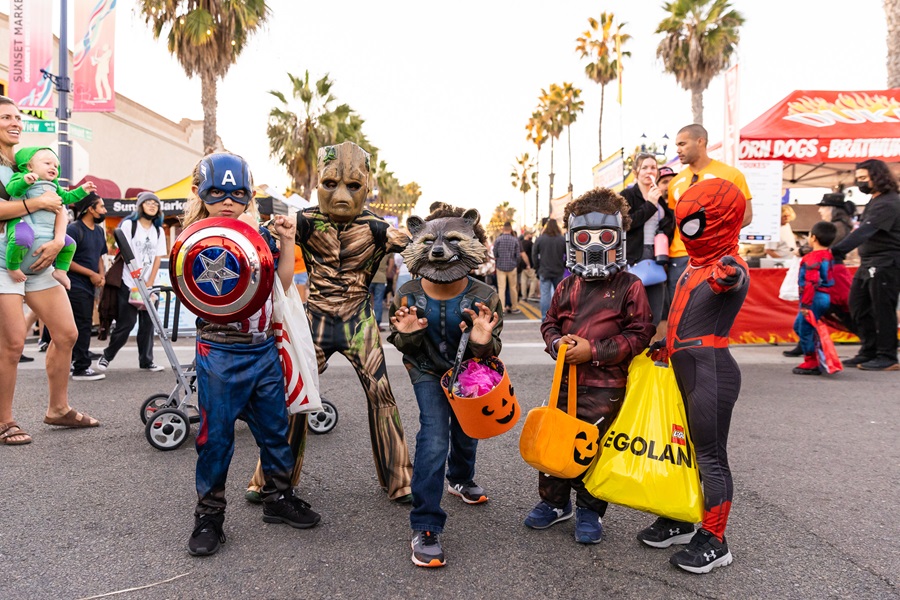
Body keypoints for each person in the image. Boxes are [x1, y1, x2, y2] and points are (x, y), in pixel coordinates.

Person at [246, 141, 414, 502]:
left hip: (359, 322)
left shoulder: (379, 229)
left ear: (367, 187)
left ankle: (400, 480)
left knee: (381, 395)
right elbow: (254, 246)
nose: (341, 194)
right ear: (318, 184)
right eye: (331, 183)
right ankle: (270, 479)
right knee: (293, 395)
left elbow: (424, 253)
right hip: (315, 322)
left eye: (353, 186)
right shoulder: (304, 222)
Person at [180, 152, 320, 557]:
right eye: (217, 192)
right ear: (199, 193)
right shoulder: (193, 236)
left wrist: (288, 240)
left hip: (262, 348)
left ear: (249, 194)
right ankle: (209, 515)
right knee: (216, 438)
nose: (228, 200)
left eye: (237, 192)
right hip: (220, 349)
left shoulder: (262, 231)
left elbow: (284, 283)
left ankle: (278, 499)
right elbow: (193, 292)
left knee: (276, 429)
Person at [526, 188, 654, 544]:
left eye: (605, 237)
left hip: (606, 387)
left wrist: (594, 350)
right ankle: (554, 503)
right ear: (571, 240)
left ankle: (588, 508)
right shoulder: (567, 286)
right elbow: (549, 322)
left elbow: (640, 333)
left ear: (619, 238)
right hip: (565, 384)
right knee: (555, 441)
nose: (594, 245)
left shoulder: (630, 286)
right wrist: (556, 344)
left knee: (592, 446)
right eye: (584, 237)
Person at [639, 178, 749, 574]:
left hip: (710, 372)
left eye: (694, 222)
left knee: (710, 458)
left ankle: (716, 540)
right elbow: (681, 315)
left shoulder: (729, 264)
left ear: (719, 220)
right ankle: (684, 517)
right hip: (683, 370)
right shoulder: (694, 265)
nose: (687, 230)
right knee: (682, 451)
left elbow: (730, 279)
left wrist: (727, 272)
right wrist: (665, 343)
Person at [388, 206, 502, 568]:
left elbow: (492, 347)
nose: (438, 249)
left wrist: (484, 340)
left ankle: (461, 477)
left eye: (451, 240)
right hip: (425, 369)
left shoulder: (484, 294)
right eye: (430, 241)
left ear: (471, 240)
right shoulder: (407, 292)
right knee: (435, 434)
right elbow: (401, 341)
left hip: (469, 372)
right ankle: (425, 524)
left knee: (468, 430)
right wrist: (406, 336)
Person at [0, 95, 99, 446]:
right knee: (12, 344)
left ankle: (58, 408)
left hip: (43, 262)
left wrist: (59, 241)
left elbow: (60, 205)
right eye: (5, 117)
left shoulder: (32, 162)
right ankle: (4, 420)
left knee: (67, 334)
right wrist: (36, 202)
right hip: (5, 265)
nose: (14, 121)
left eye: (17, 116)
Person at [831, 159, 900, 371]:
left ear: (877, 177)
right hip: (869, 263)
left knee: (882, 309)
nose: (860, 182)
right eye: (858, 178)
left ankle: (887, 355)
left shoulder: (889, 203)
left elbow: (865, 231)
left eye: (864, 178)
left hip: (885, 262)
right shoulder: (875, 200)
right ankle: (869, 350)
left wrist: (836, 250)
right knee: (858, 306)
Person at [4, 146, 96, 290]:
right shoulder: (22, 176)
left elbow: (65, 198)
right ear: (29, 166)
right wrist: (25, 181)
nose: (53, 167)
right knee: (21, 238)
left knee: (70, 244)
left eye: (56, 166)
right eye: (47, 163)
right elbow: (12, 189)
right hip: (24, 222)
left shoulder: (54, 185)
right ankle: (13, 266)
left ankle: (61, 271)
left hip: (46, 229)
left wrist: (82, 190)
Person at [96, 192, 167, 373]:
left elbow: (158, 257)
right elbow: (124, 252)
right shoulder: (129, 225)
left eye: (155, 204)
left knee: (148, 325)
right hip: (130, 283)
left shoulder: (158, 230)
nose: (152, 206)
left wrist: (150, 283)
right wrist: (139, 281)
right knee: (126, 324)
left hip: (151, 284)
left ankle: (146, 361)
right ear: (140, 205)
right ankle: (107, 355)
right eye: (148, 202)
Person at [620, 153, 675, 325]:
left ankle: (647, 349)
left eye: (653, 167)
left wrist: (664, 227)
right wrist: (650, 205)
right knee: (632, 312)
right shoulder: (628, 195)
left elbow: (668, 224)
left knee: (655, 314)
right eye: (644, 167)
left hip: (657, 257)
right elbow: (626, 224)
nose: (649, 171)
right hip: (634, 257)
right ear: (636, 172)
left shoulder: (659, 197)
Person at [67, 194, 109, 381]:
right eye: (101, 206)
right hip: (74, 284)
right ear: (90, 209)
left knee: (83, 324)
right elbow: (65, 261)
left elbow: (99, 256)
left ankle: (77, 358)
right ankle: (80, 368)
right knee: (82, 324)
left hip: (91, 285)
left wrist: (101, 275)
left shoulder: (99, 231)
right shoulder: (73, 230)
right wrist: (91, 274)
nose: (104, 210)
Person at [791, 221, 838, 375]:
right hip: (824, 297)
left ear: (813, 238)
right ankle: (816, 356)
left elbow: (811, 282)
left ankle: (811, 361)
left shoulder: (811, 258)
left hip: (813, 298)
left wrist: (805, 305)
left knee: (804, 328)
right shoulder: (829, 255)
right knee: (801, 327)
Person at [532, 218, 567, 320]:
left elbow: (534, 254)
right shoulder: (561, 239)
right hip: (558, 270)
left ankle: (545, 318)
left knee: (545, 295)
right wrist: (564, 264)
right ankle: (559, 317)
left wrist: (537, 267)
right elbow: (568, 254)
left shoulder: (540, 239)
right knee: (559, 295)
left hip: (544, 270)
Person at [493, 221, 527, 314]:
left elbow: (495, 252)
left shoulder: (498, 239)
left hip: (500, 266)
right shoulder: (515, 240)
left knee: (501, 288)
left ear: (503, 229)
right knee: (513, 288)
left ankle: (502, 308)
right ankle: (514, 307)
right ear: (511, 229)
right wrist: (516, 264)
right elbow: (518, 255)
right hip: (512, 267)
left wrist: (498, 260)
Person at [369, 253, 389, 330]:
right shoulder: (387, 249)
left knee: (366, 301)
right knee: (378, 301)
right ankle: (377, 323)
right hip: (381, 278)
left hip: (369, 276)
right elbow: (391, 263)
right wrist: (386, 275)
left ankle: (366, 323)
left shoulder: (370, 247)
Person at [518, 228, 539, 302]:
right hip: (529, 264)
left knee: (523, 280)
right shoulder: (530, 243)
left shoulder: (520, 243)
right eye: (530, 234)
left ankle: (524, 296)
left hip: (522, 265)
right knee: (534, 279)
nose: (532, 235)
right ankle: (531, 294)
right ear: (527, 235)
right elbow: (533, 254)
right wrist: (530, 264)